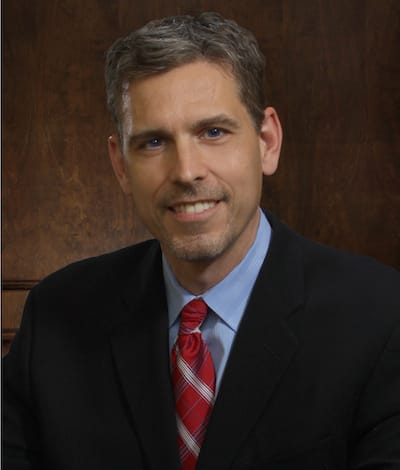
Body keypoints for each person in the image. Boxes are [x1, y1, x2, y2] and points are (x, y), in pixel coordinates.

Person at [3, 11, 400, 470]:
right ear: (120, 165)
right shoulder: (56, 316)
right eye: (154, 142)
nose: (186, 171)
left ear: (267, 142)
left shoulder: (381, 316)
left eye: (213, 132)